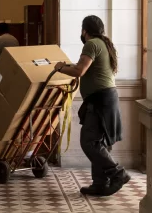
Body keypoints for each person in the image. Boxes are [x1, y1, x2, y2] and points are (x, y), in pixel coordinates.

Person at [54, 15, 130, 197]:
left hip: (100, 101)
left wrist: (59, 68)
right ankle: (100, 183)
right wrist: (69, 66)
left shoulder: (91, 44)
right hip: (106, 98)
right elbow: (86, 67)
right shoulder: (103, 44)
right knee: (100, 142)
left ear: (84, 30)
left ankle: (117, 173)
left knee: (89, 142)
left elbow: (79, 71)